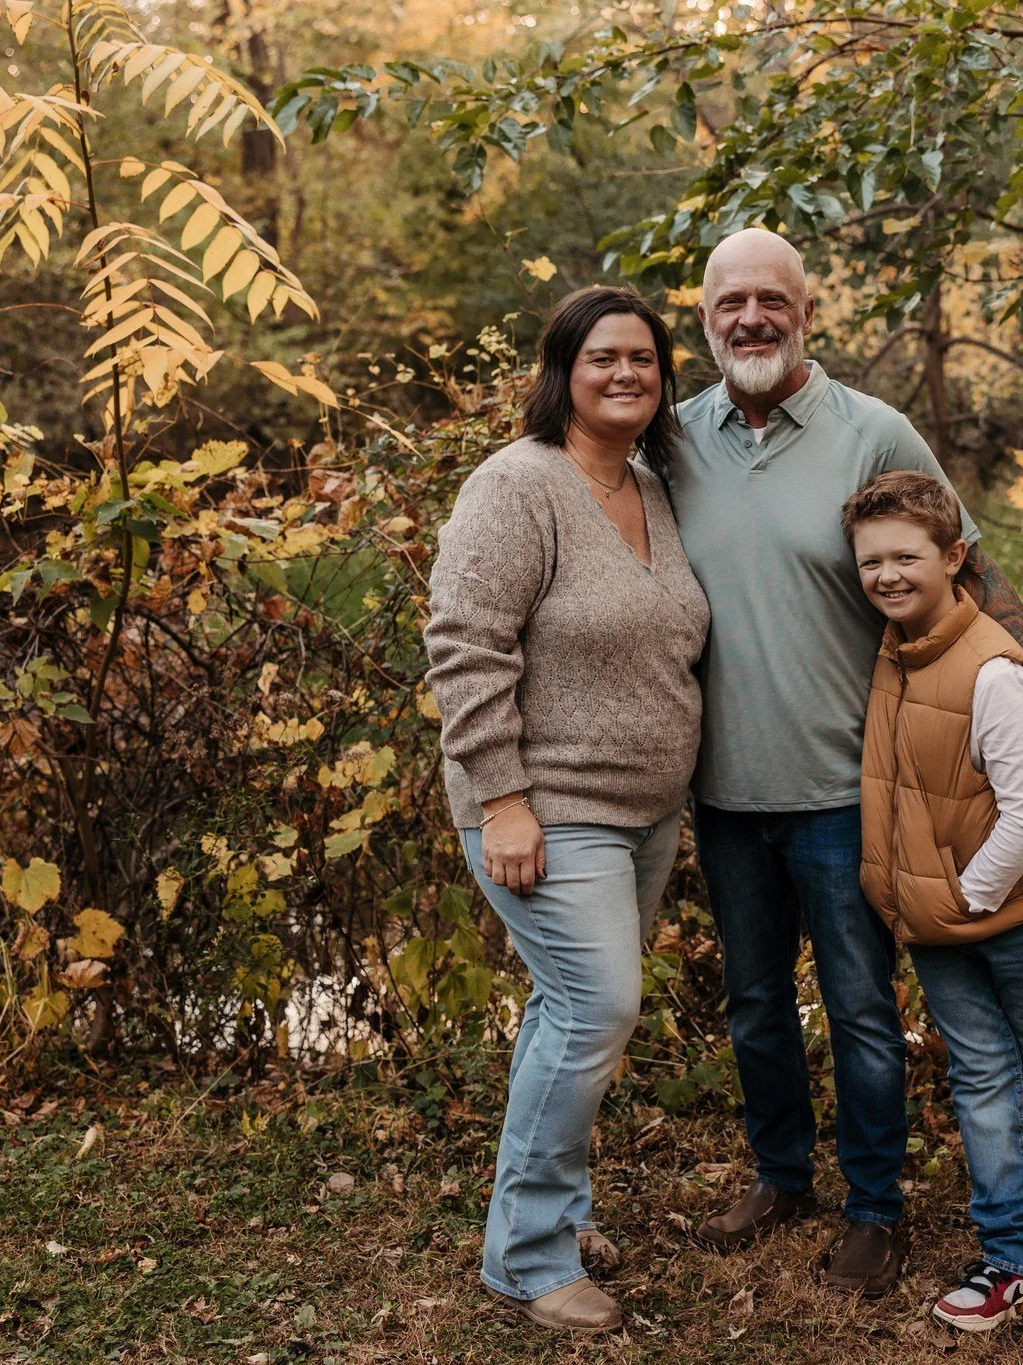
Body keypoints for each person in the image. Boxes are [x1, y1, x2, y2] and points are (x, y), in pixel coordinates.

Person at [670, 228, 1023, 1297]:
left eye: (770, 300)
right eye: (728, 304)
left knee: (858, 1010)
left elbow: (967, 565)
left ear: (807, 314)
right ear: (703, 318)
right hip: (723, 790)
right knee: (753, 1003)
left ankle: (874, 1208)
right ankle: (778, 1176)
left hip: (852, 789)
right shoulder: (672, 440)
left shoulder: (870, 431)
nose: (749, 319)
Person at [423, 286, 712, 1333]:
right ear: (562, 372)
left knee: (569, 1013)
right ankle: (528, 1258)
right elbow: (463, 646)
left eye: (643, 358)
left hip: (644, 811)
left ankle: (549, 1213)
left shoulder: (653, 487)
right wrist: (501, 799)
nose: (625, 374)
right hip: (543, 806)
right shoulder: (517, 485)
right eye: (603, 358)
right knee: (597, 1009)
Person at [844, 470, 1023, 1332]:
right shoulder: (894, 649)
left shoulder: (991, 672)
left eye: (906, 556)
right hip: (941, 921)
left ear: (955, 559)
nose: (888, 575)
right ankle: (1020, 1246)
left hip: (1012, 913)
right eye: (872, 561)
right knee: (985, 1076)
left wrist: (962, 896)